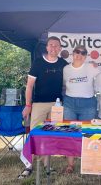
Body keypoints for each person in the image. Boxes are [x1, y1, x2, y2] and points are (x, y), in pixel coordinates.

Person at [20, 36, 68, 178]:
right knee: (34, 134)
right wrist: (28, 105)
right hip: (39, 104)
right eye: (51, 45)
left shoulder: (63, 64)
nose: (53, 48)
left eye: (56, 46)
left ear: (60, 49)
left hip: (57, 106)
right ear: (47, 47)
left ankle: (47, 165)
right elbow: (29, 86)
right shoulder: (38, 62)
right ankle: (28, 166)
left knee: (50, 135)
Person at [63, 45, 101, 173]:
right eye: (77, 52)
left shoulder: (91, 67)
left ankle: (88, 163)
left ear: (85, 56)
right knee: (70, 134)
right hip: (69, 103)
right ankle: (70, 164)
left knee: (88, 134)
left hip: (88, 104)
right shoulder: (66, 69)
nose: (79, 54)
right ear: (72, 54)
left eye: (83, 53)